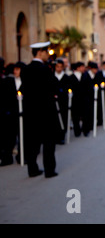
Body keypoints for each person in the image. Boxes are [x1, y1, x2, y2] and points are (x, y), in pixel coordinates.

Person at [20, 42, 59, 178]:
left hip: (31, 112)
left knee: (32, 142)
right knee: (48, 142)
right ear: (40, 52)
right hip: (46, 111)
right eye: (46, 52)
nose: (48, 55)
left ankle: (32, 169)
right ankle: (49, 170)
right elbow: (54, 86)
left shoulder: (25, 69)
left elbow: (23, 89)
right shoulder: (45, 69)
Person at [0, 62, 24, 166]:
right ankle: (7, 157)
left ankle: (22, 156)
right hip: (11, 113)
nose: (15, 71)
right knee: (9, 137)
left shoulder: (25, 82)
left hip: (22, 113)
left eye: (18, 69)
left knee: (22, 135)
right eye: (14, 69)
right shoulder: (8, 81)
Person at [54, 59, 71, 144]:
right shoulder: (52, 77)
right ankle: (56, 136)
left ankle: (62, 136)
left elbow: (68, 89)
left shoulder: (66, 77)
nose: (59, 68)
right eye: (57, 67)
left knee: (63, 118)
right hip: (54, 102)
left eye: (61, 67)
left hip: (63, 102)